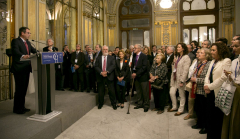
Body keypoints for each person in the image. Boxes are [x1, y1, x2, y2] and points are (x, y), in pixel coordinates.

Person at [204, 43, 231, 139]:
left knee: (217, 118)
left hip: (219, 92)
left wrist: (210, 86)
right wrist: (206, 85)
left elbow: (224, 77)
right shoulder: (212, 62)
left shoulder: (226, 61)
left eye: (213, 50)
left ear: (220, 51)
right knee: (210, 116)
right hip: (210, 92)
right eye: (211, 50)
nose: (211, 52)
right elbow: (207, 75)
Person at [11, 27, 37, 114]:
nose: (29, 34)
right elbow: (15, 51)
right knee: (19, 89)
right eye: (28, 33)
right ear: (22, 33)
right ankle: (17, 108)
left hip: (26, 68)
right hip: (19, 69)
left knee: (24, 89)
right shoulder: (15, 41)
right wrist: (22, 56)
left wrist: (41, 53)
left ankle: (22, 106)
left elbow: (34, 51)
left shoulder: (28, 43)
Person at [189, 48, 212, 135]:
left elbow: (208, 79)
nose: (199, 54)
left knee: (204, 109)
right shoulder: (200, 63)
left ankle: (205, 126)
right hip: (197, 89)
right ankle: (199, 123)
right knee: (198, 108)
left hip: (204, 90)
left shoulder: (208, 64)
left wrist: (196, 80)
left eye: (201, 53)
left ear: (206, 55)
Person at [222, 34, 240, 139]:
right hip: (234, 88)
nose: (234, 48)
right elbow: (233, 75)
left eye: (237, 46)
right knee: (232, 115)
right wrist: (229, 75)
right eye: (233, 46)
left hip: (238, 88)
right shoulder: (234, 61)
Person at [168, 43, 191, 116]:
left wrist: (182, 80)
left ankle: (180, 109)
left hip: (180, 79)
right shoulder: (178, 57)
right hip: (175, 78)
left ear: (183, 48)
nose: (177, 48)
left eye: (179, 47)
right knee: (171, 92)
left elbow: (185, 70)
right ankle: (174, 106)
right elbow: (174, 68)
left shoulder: (186, 57)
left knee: (181, 95)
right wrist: (174, 63)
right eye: (177, 47)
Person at [95, 45, 117, 110]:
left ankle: (113, 104)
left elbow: (113, 65)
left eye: (106, 49)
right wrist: (101, 72)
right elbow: (96, 66)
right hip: (100, 77)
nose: (105, 50)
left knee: (111, 91)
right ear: (102, 50)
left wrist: (107, 72)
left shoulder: (111, 57)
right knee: (101, 91)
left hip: (109, 76)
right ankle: (100, 104)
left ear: (108, 50)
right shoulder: (98, 58)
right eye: (104, 49)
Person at [132, 44, 149, 112]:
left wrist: (136, 73)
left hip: (143, 77)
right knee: (138, 91)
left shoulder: (144, 56)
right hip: (136, 77)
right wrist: (132, 73)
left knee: (145, 92)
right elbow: (133, 66)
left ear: (139, 49)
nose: (134, 49)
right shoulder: (134, 56)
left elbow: (144, 67)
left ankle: (146, 105)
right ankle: (140, 103)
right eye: (134, 48)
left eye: (135, 48)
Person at [184, 48, 200, 120]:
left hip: (198, 82)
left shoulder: (205, 62)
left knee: (196, 100)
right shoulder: (195, 60)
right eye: (197, 52)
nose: (196, 53)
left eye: (199, 52)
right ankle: (190, 113)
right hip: (191, 80)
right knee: (190, 99)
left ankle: (196, 115)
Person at [165, 46, 175, 111]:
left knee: (170, 90)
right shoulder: (165, 56)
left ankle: (171, 104)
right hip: (165, 75)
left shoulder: (174, 57)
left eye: (168, 49)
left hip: (170, 75)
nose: (166, 50)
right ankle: (167, 102)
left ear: (172, 51)